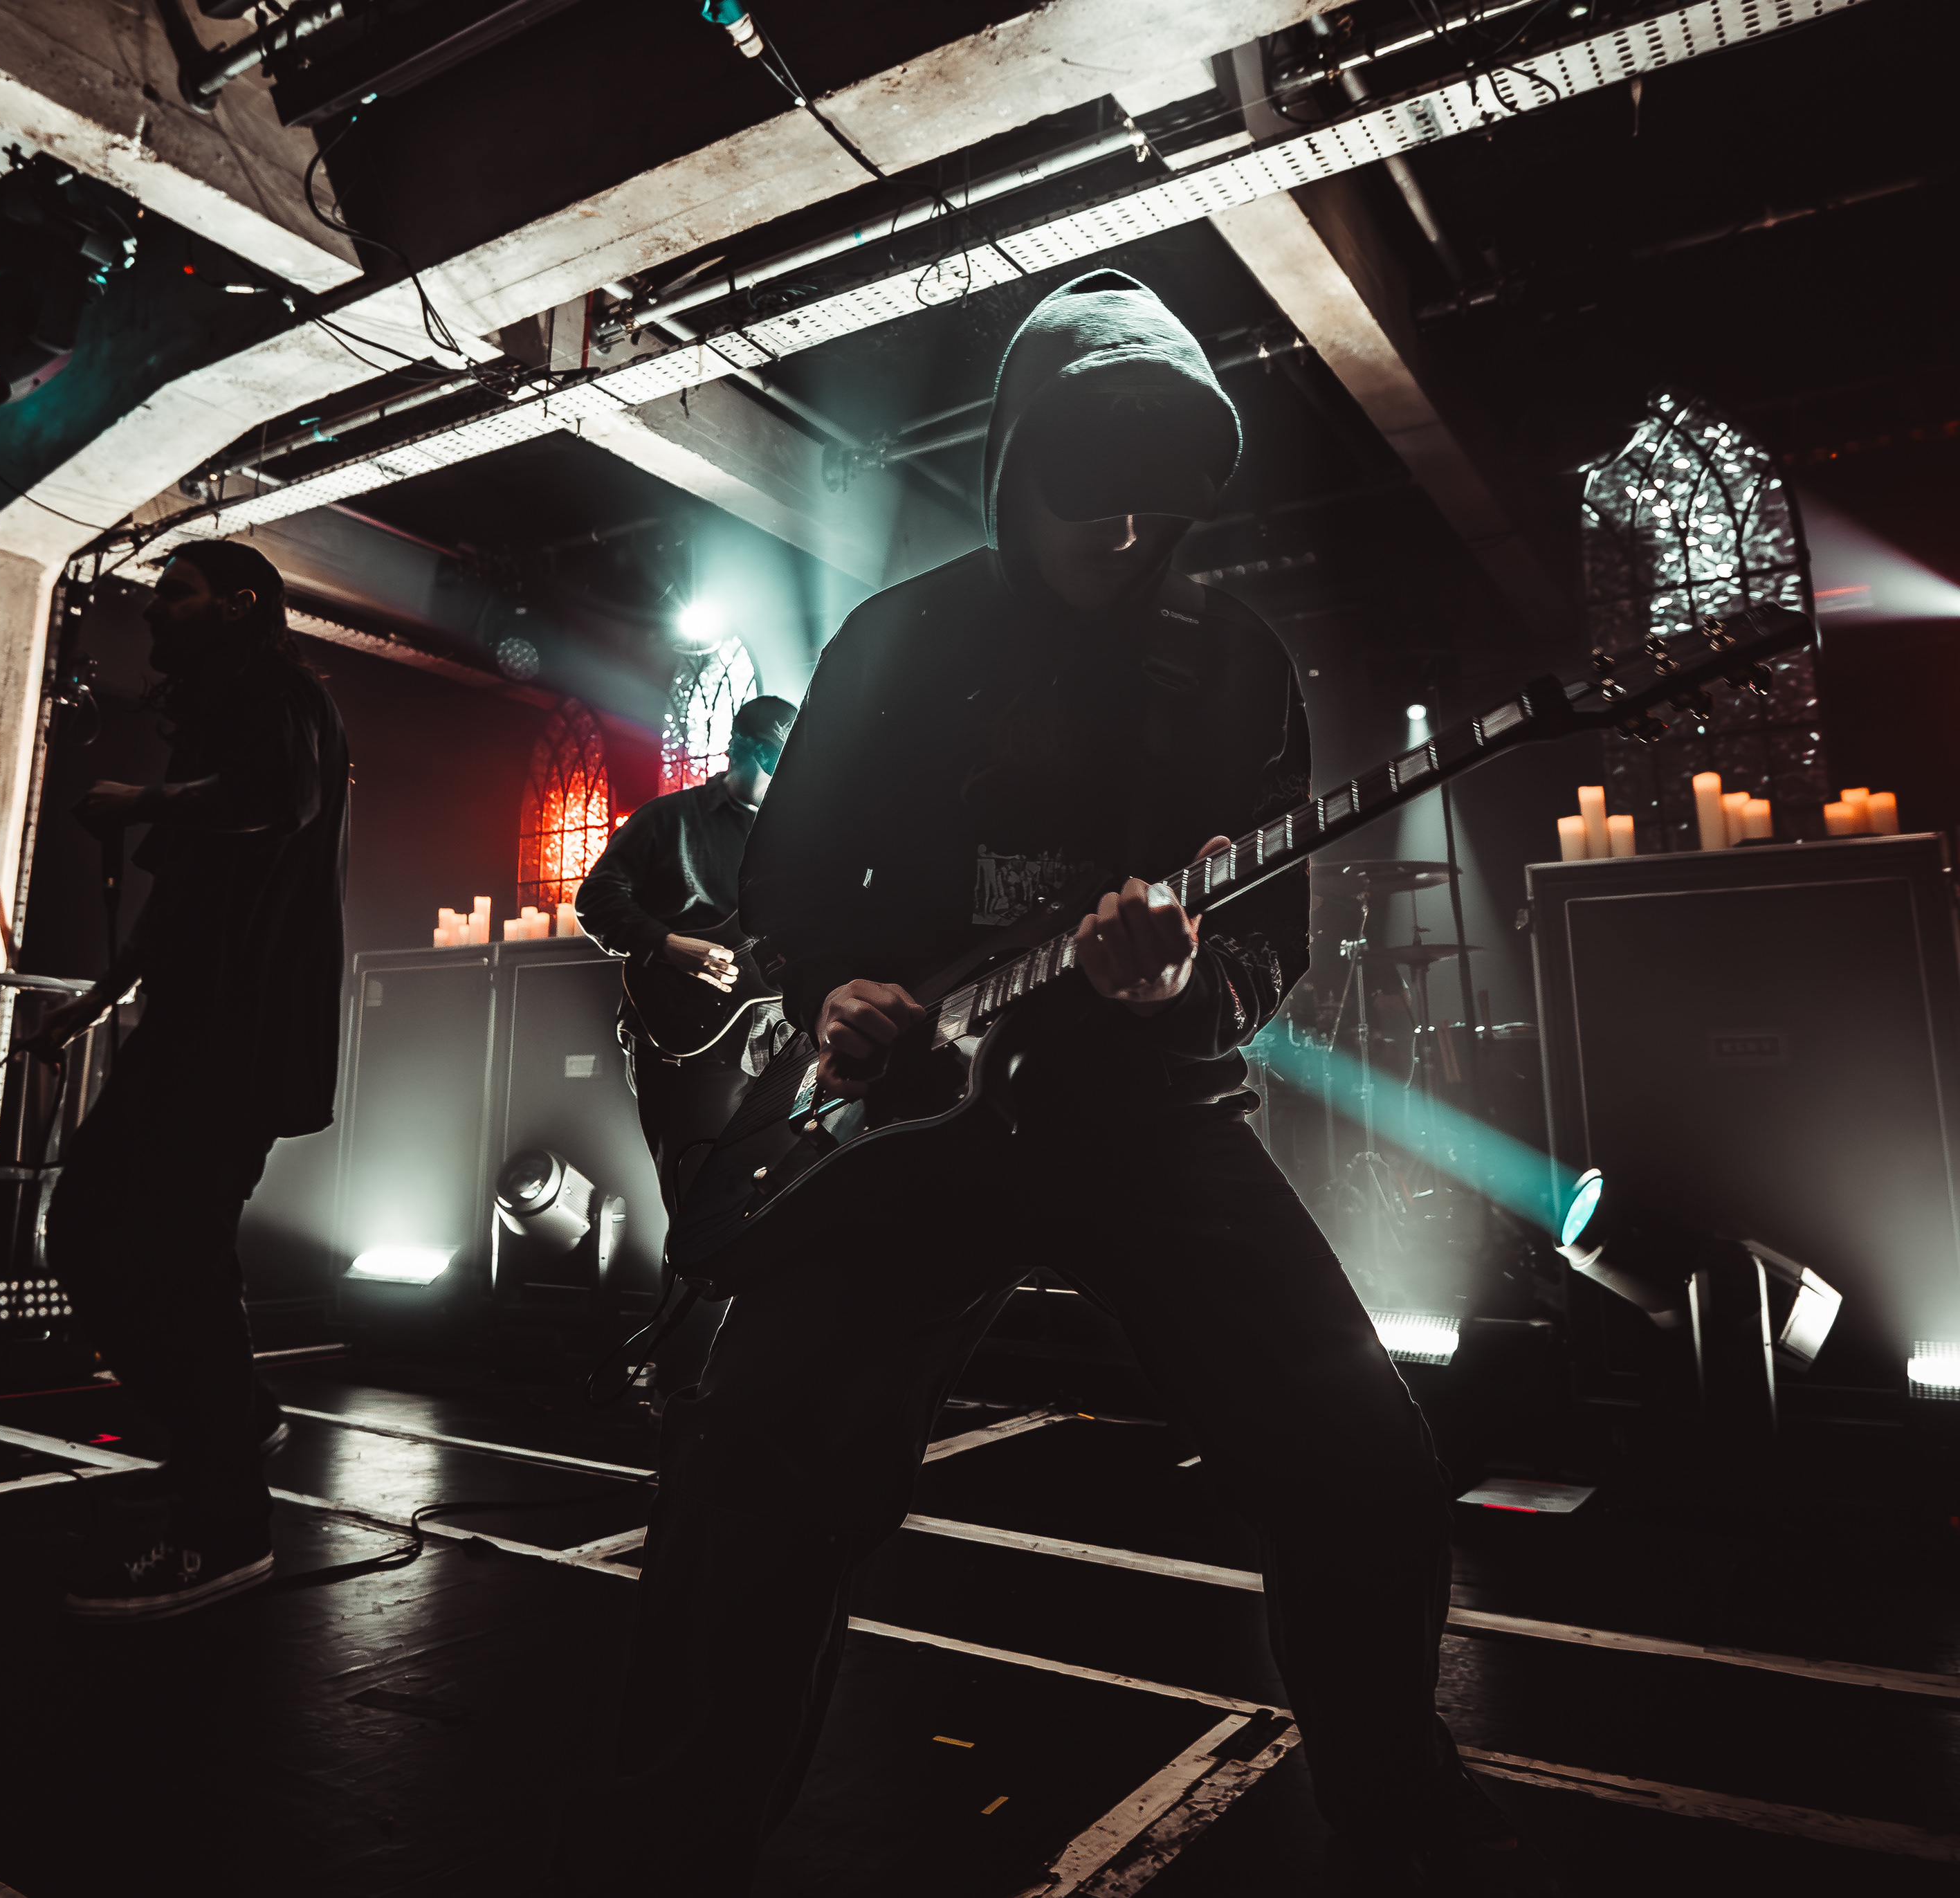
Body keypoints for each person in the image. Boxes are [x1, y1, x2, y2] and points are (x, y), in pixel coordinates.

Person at [590, 272, 1548, 1895]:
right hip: (907, 1127)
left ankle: (1402, 1804)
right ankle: (675, 1844)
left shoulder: (1230, 662)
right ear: (1008, 461)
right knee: (749, 1465)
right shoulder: (896, 639)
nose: (1118, 526)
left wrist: (1186, 988)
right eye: (1083, 482)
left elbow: (1270, 938)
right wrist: (833, 987)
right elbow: (790, 879)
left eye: (1154, 494)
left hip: (1142, 1115)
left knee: (1363, 1458)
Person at [29, 539, 348, 1621]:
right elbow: (181, 900)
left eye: (179, 590)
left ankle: (224, 1523)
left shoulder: (282, 696)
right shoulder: (224, 710)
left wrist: (145, 797)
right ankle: (234, 1421)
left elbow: (279, 797)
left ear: (240, 602)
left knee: (163, 1252)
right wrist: (99, 996)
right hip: (190, 1024)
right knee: (99, 1231)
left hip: (239, 1033)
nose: (156, 606)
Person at [574, 695, 796, 1405]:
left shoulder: (796, 835)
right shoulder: (669, 821)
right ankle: (681, 1399)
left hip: (775, 1040)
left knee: (774, 1206)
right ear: (745, 749)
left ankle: (749, 1390)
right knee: (702, 1213)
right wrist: (671, 945)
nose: (785, 774)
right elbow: (595, 899)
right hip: (683, 1040)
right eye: (776, 758)